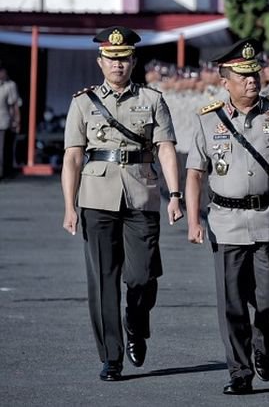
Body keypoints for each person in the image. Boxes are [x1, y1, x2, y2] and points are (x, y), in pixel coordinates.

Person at [61, 26, 183, 381]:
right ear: (100, 62)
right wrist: (69, 206)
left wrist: (174, 195)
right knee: (103, 279)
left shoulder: (153, 100)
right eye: (111, 59)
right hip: (96, 195)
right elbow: (72, 157)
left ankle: (136, 322)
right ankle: (111, 356)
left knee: (142, 276)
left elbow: (166, 149)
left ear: (133, 61)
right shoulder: (82, 102)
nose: (118, 64)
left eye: (124, 58)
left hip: (141, 194)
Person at [185, 38, 269, 395]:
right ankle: (239, 371)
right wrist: (193, 220)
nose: (252, 80)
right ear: (226, 81)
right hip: (226, 220)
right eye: (243, 75)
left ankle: (262, 344)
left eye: (255, 74)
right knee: (232, 303)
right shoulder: (207, 120)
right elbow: (195, 173)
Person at [0, 62, 21, 179]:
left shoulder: (9, 86)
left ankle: (3, 172)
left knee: (2, 150)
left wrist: (16, 121)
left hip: (3, 121)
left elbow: (14, 106)